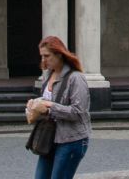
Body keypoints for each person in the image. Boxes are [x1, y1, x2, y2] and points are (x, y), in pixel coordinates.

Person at [25, 35, 90, 179]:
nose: (43, 60)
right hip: (50, 139)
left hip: (72, 140)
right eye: (41, 56)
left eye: (47, 56)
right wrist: (34, 106)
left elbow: (78, 112)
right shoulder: (48, 76)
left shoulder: (76, 78)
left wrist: (50, 107)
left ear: (59, 54)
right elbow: (46, 106)